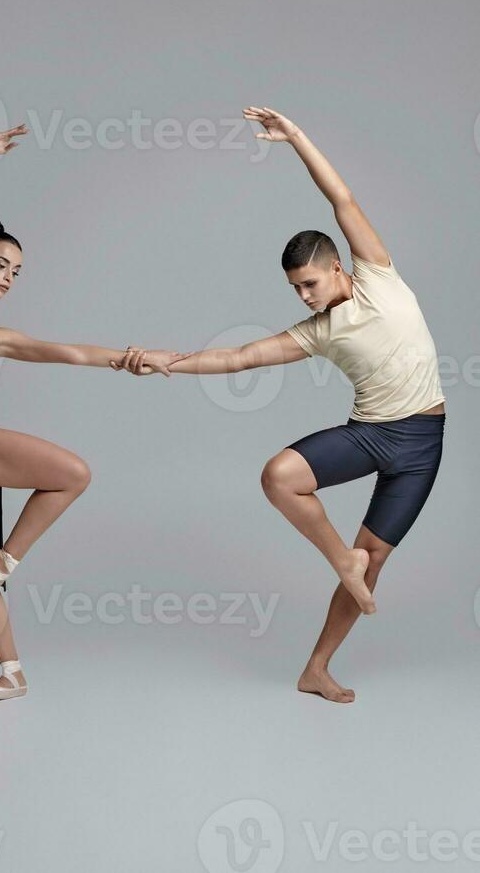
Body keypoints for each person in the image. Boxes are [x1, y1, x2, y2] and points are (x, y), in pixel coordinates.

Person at [113, 105, 446, 704]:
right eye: (294, 288)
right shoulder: (316, 330)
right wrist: (172, 360)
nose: (303, 295)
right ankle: (340, 559)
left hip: (423, 445)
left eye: (310, 284)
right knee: (280, 477)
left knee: (374, 558)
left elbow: (340, 197)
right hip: (372, 433)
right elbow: (239, 358)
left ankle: (316, 668)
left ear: (337, 266)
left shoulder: (378, 276)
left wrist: (295, 137)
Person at [0, 123, 188, 706]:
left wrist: (132, 358)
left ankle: (4, 561)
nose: (10, 276)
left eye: (17, 271)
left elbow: (65, 351)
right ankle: (12, 672)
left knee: (70, 474)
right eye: (2, 264)